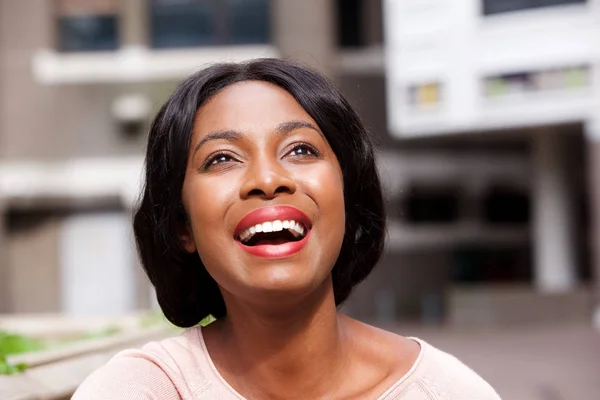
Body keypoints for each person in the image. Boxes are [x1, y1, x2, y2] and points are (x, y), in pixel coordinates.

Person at [73, 58, 501, 400]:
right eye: (222, 158)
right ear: (182, 225)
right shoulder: (140, 390)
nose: (267, 178)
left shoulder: (446, 391)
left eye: (300, 149)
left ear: (348, 198)